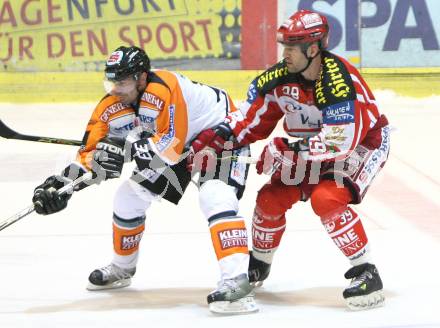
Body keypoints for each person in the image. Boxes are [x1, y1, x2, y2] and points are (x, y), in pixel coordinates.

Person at [31, 45, 258, 314]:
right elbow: (90, 153)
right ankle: (122, 268)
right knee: (127, 199)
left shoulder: (165, 87)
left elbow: (171, 147)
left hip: (220, 137)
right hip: (180, 145)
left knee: (216, 197)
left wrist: (126, 148)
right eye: (111, 81)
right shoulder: (112, 105)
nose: (115, 89)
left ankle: (236, 284)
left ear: (141, 77)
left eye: (123, 82)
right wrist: (62, 185)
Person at [190, 9, 389, 310]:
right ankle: (258, 264)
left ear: (313, 48)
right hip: (313, 145)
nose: (286, 54)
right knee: (271, 198)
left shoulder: (338, 81)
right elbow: (249, 120)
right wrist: (218, 137)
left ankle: (366, 272)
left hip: (364, 144)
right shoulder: (278, 78)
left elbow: (340, 141)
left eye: (292, 48)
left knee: (327, 198)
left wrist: (290, 149)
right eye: (285, 46)